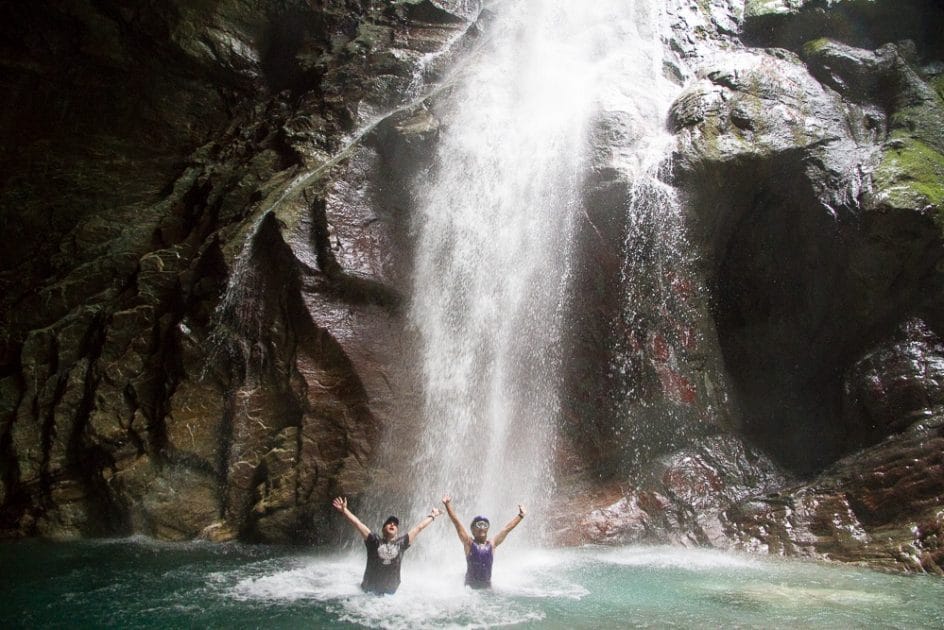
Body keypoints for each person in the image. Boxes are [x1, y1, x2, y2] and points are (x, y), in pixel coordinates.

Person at [332, 496, 441, 595]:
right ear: (383, 529)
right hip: (368, 592)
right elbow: (358, 524)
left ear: (397, 532)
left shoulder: (402, 543)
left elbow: (419, 528)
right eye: (389, 523)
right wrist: (344, 510)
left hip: (391, 595)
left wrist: (433, 515)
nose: (392, 524)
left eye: (395, 524)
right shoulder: (374, 541)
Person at [441, 494, 526, 589]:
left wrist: (520, 516)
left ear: (488, 528)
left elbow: (506, 529)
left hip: (487, 589)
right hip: (470, 589)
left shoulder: (492, 544)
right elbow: (457, 523)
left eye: (485, 525)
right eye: (479, 525)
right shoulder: (468, 543)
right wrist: (447, 505)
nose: (482, 527)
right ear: (472, 530)